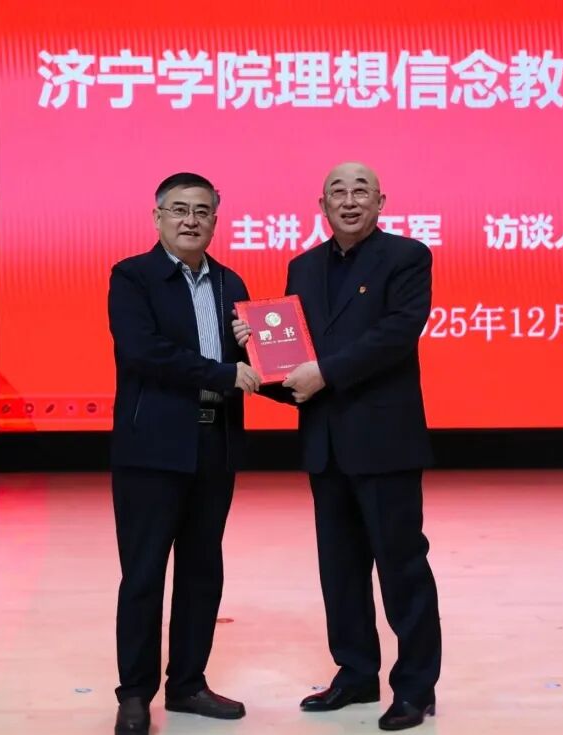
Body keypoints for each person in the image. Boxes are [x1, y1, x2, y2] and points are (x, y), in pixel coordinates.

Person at [234, 162, 441, 731]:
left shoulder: (406, 256)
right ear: (321, 204)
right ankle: (355, 674)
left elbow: (397, 334)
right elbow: (295, 351)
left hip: (385, 441)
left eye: (360, 191)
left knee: (402, 568)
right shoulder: (303, 266)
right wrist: (257, 353)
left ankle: (415, 688)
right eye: (337, 192)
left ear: (381, 201)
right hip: (325, 442)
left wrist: (325, 372)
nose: (349, 201)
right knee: (341, 569)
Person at [108, 172, 260, 735]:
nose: (190, 220)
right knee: (144, 574)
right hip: (151, 448)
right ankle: (134, 694)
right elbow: (142, 352)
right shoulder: (133, 276)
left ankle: (188, 684)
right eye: (178, 209)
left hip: (214, 443)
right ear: (157, 217)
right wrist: (223, 373)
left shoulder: (229, 281)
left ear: (216, 220)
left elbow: (247, 366)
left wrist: (259, 356)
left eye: (201, 211)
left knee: (202, 571)